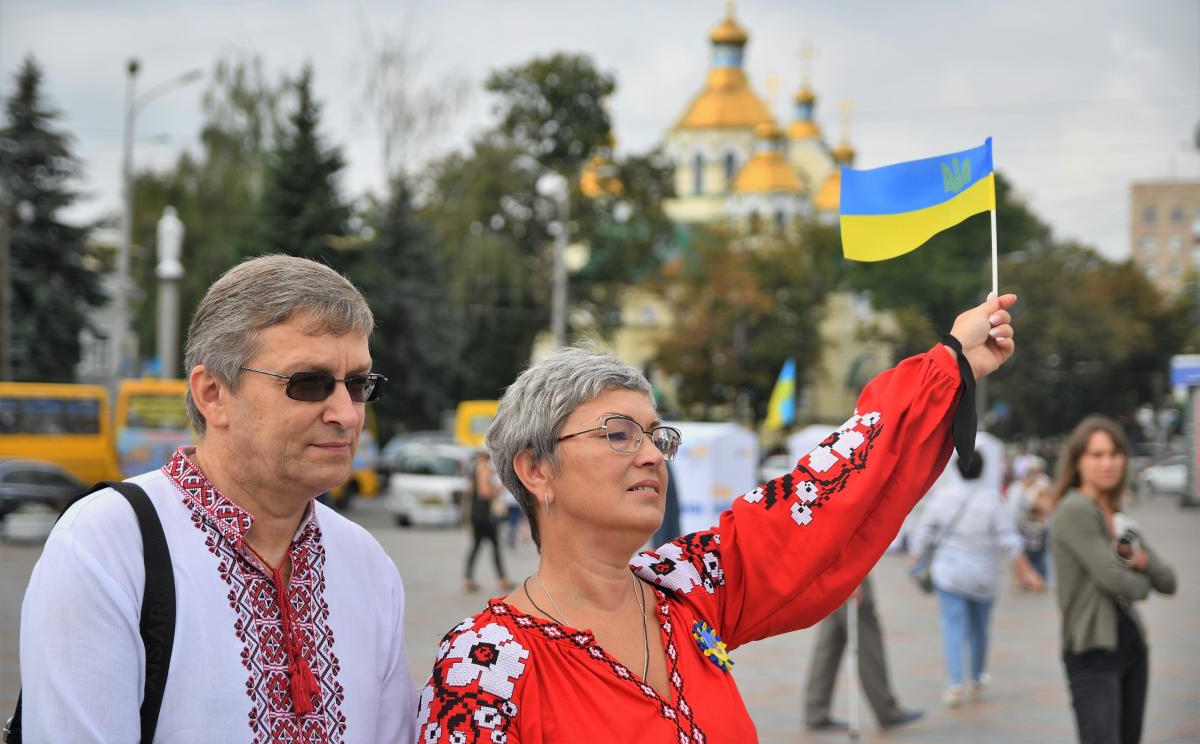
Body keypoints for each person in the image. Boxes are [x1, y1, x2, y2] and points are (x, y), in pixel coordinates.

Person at [415, 293, 1017, 742]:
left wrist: (950, 365)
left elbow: (816, 502)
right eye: (619, 434)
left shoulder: (685, 588)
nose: (652, 454)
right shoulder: (485, 665)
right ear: (536, 470)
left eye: (658, 436)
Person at [18, 255, 417, 742]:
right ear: (213, 394)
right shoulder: (108, 543)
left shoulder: (366, 563)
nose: (346, 414)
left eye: (357, 385)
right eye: (309, 384)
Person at [1050, 415, 1176, 744]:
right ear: (1078, 461)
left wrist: (1143, 561)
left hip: (1132, 644)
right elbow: (1114, 580)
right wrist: (1143, 583)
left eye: (1115, 453)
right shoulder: (1074, 509)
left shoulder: (1119, 517)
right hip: (1093, 649)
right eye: (1096, 455)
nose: (1108, 463)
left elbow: (1169, 581)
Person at [909, 450, 1031, 707]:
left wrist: (915, 556)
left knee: (953, 626)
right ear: (983, 470)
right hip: (983, 576)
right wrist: (1026, 570)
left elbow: (924, 530)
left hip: (949, 572)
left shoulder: (942, 497)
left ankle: (955, 684)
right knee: (980, 628)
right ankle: (976, 678)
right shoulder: (991, 500)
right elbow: (1009, 539)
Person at [803, 572, 924, 731]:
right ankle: (886, 709)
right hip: (848, 570)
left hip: (831, 572)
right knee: (867, 641)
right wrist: (852, 579)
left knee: (831, 639)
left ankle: (816, 708)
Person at [465, 451, 514, 592]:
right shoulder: (483, 468)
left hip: (475, 513)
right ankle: (502, 579)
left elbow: (471, 491)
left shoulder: (474, 467)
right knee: (495, 545)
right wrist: (499, 488)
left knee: (476, 546)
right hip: (484, 515)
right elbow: (484, 493)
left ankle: (468, 578)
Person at [1007, 453, 1053, 589]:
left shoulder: (1043, 483)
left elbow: (1045, 506)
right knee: (1021, 552)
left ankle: (1038, 579)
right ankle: (1022, 579)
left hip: (1037, 526)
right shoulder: (1018, 486)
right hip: (1021, 525)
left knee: (1037, 554)